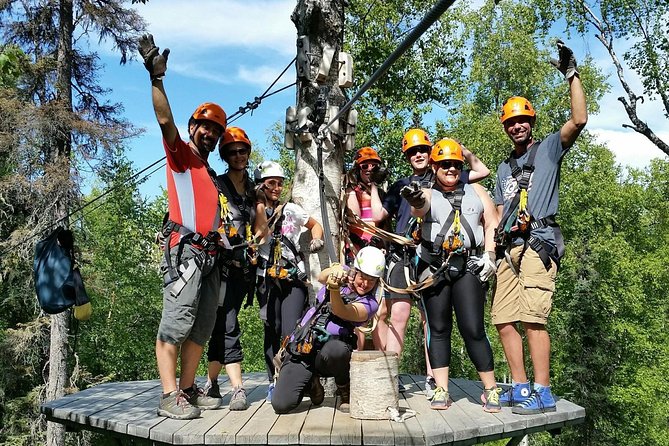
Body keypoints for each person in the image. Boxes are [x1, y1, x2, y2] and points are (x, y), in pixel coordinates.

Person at [492, 40, 587, 415]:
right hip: (509, 247)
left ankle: (543, 391)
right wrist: (491, 250)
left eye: (522, 120)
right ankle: (519, 385)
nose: (517, 126)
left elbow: (578, 119)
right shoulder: (502, 169)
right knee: (502, 319)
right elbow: (500, 210)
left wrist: (571, 75)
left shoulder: (548, 148)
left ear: (530, 123)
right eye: (511, 122)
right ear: (506, 127)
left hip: (539, 242)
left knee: (533, 318)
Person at [139, 34, 227, 419]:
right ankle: (167, 394)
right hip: (186, 252)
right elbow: (163, 119)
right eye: (204, 126)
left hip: (210, 254)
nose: (209, 133)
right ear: (192, 127)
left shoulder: (206, 170)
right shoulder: (181, 156)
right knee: (175, 323)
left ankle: (188, 389)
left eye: (215, 130)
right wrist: (157, 79)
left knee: (202, 326)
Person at [377, 128, 491, 396]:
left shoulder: (444, 172)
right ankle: (390, 377)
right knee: (399, 316)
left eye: (422, 150)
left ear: (430, 154)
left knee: (433, 320)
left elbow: (482, 172)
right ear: (407, 156)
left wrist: (462, 151)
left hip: (435, 254)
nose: (418, 154)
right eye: (412, 151)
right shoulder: (400, 184)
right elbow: (382, 215)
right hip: (405, 251)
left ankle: (433, 379)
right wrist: (370, 186)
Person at [402, 138, 501, 412]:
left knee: (473, 329)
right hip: (435, 268)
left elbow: (491, 222)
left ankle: (490, 389)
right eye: (445, 165)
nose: (451, 170)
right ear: (434, 166)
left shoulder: (477, 191)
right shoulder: (428, 192)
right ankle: (441, 388)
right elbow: (419, 207)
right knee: (439, 328)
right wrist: (414, 198)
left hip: (467, 266)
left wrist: (490, 255)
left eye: (455, 165)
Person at [271, 246, 387, 414]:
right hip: (304, 346)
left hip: (330, 353)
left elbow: (341, 311)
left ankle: (343, 387)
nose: (366, 283)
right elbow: (321, 276)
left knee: (336, 350)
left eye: (372, 280)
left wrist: (334, 288)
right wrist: (335, 270)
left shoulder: (370, 304)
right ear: (356, 271)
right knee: (281, 404)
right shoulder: (345, 273)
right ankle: (311, 384)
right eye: (363, 277)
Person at [253, 160, 325, 401]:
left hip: (292, 277)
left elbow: (316, 225)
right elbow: (261, 236)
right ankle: (273, 380)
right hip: (267, 278)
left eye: (279, 183)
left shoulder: (291, 209)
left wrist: (316, 239)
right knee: (270, 329)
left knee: (290, 331)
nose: (276, 187)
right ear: (260, 185)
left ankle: (293, 379)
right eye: (271, 183)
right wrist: (261, 206)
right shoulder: (254, 211)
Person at [204, 127, 257, 411]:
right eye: (232, 151)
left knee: (223, 323)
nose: (238, 155)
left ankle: (212, 384)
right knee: (226, 323)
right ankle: (237, 387)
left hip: (245, 268)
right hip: (221, 265)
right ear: (225, 155)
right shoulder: (218, 184)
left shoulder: (253, 188)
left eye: (242, 151)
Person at [344, 147, 387, 349]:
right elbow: (356, 218)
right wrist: (353, 189)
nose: (369, 169)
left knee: (381, 309)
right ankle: (356, 355)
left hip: (378, 253)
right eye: (365, 166)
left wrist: (376, 187)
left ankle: (382, 355)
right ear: (358, 168)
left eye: (374, 166)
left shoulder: (381, 193)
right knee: (356, 305)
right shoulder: (352, 191)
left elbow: (380, 217)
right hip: (357, 253)